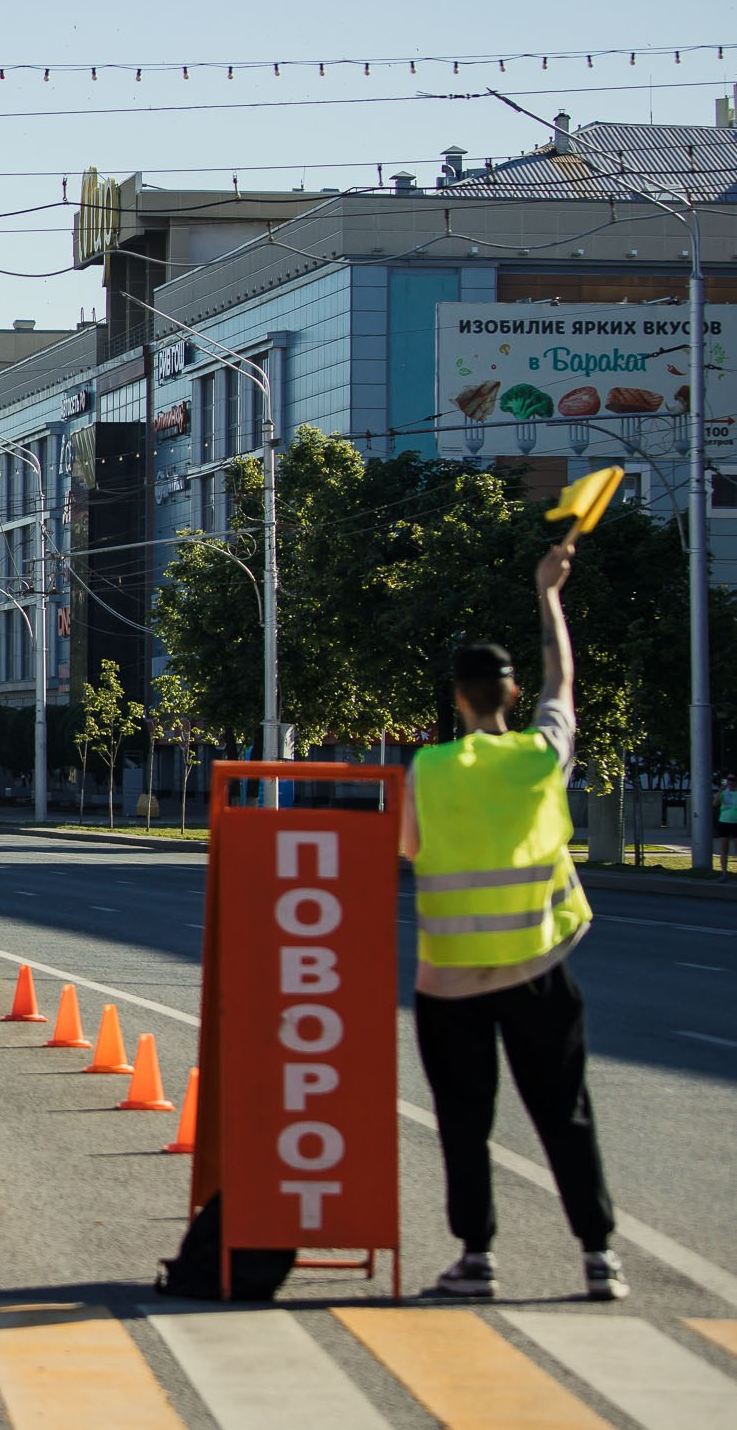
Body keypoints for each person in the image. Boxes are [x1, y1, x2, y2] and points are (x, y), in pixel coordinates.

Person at [400, 542, 623, 1302]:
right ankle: (598, 1256)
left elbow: (408, 850)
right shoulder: (540, 756)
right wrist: (548, 593)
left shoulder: (427, 770)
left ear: (458, 699)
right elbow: (564, 681)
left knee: (465, 1120)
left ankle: (477, 1257)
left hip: (450, 981)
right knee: (566, 1111)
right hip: (538, 971)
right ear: (509, 692)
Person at [716, 773, 737, 877]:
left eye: (732, 779)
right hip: (724, 822)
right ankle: (724, 873)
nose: (730, 781)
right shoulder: (724, 792)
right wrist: (720, 790)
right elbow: (715, 803)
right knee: (724, 849)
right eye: (728, 779)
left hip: (735, 823)